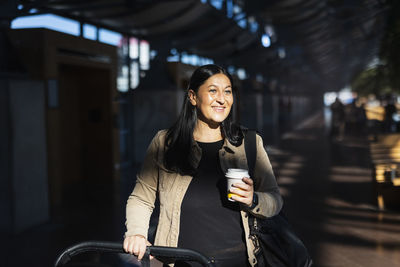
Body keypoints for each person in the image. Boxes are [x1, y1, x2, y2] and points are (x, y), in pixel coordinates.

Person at [123, 64, 283, 267]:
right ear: (192, 97)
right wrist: (136, 233)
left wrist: (253, 199)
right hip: (180, 262)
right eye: (212, 90)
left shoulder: (249, 143)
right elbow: (141, 198)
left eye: (227, 91)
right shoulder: (165, 143)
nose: (221, 99)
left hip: (238, 261)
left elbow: (275, 199)